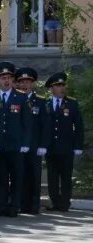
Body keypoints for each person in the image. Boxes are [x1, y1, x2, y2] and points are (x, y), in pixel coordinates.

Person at [0, 62, 32, 217]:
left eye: (8, 77)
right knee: (0, 177)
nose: (6, 81)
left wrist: (25, 143)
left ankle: (14, 205)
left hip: (16, 145)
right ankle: (1, 205)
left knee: (16, 177)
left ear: (13, 80)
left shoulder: (21, 97)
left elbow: (27, 123)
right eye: (2, 78)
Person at [43, 72, 84, 212]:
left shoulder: (72, 103)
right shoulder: (46, 103)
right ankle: (55, 203)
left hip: (66, 147)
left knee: (66, 176)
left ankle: (65, 203)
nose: (61, 88)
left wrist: (78, 145)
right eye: (58, 86)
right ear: (51, 88)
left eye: (63, 85)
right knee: (52, 177)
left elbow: (79, 126)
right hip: (51, 148)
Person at [15, 67, 48, 214]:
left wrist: (43, 145)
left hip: (34, 145)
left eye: (27, 82)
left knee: (34, 175)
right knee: (20, 174)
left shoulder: (40, 101)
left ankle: (34, 204)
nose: (25, 85)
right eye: (22, 82)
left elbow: (45, 125)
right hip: (19, 144)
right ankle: (21, 203)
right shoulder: (16, 99)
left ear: (32, 83)